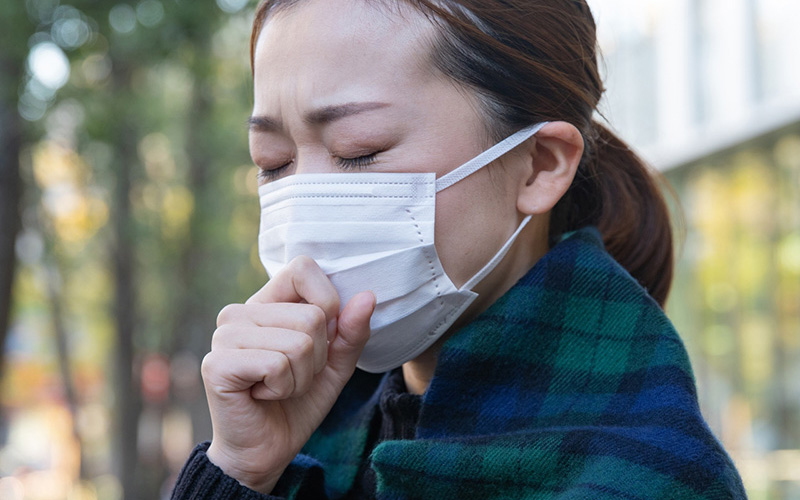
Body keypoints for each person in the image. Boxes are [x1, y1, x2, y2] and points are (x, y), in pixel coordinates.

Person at [171, 0, 747, 498]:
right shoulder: (308, 435)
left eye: (359, 151)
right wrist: (239, 474)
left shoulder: (650, 476)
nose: (306, 207)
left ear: (540, 165)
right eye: (273, 163)